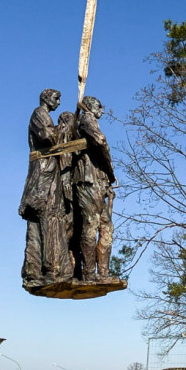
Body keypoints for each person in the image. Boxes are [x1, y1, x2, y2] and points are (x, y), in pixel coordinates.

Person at [19, 89, 73, 285]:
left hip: (45, 174)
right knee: (49, 221)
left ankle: (36, 271)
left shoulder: (42, 115)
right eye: (56, 98)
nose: (58, 103)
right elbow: (48, 137)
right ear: (45, 98)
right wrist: (65, 128)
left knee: (40, 224)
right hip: (44, 176)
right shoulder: (39, 114)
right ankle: (50, 271)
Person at [70, 96, 116, 281]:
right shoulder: (86, 119)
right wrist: (110, 169)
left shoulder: (89, 119)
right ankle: (89, 274)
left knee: (106, 226)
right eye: (99, 106)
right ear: (89, 106)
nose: (102, 110)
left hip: (97, 181)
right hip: (86, 180)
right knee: (91, 225)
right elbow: (100, 141)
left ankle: (103, 272)